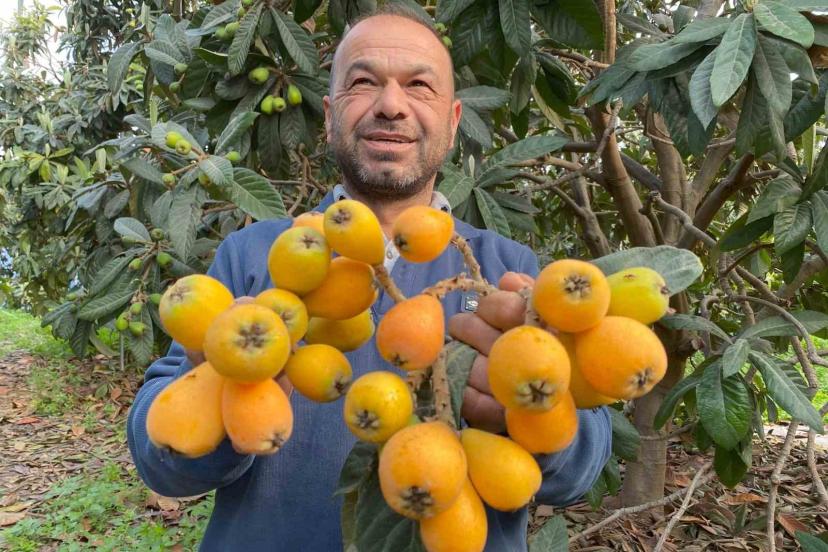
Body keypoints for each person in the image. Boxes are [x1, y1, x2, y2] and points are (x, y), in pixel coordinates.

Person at [127, 5, 612, 551]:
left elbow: (582, 468)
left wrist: (527, 417)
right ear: (330, 115)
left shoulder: (508, 273)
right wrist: (221, 395)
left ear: (453, 123)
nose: (390, 105)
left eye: (419, 86)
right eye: (364, 82)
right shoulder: (252, 256)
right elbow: (162, 459)